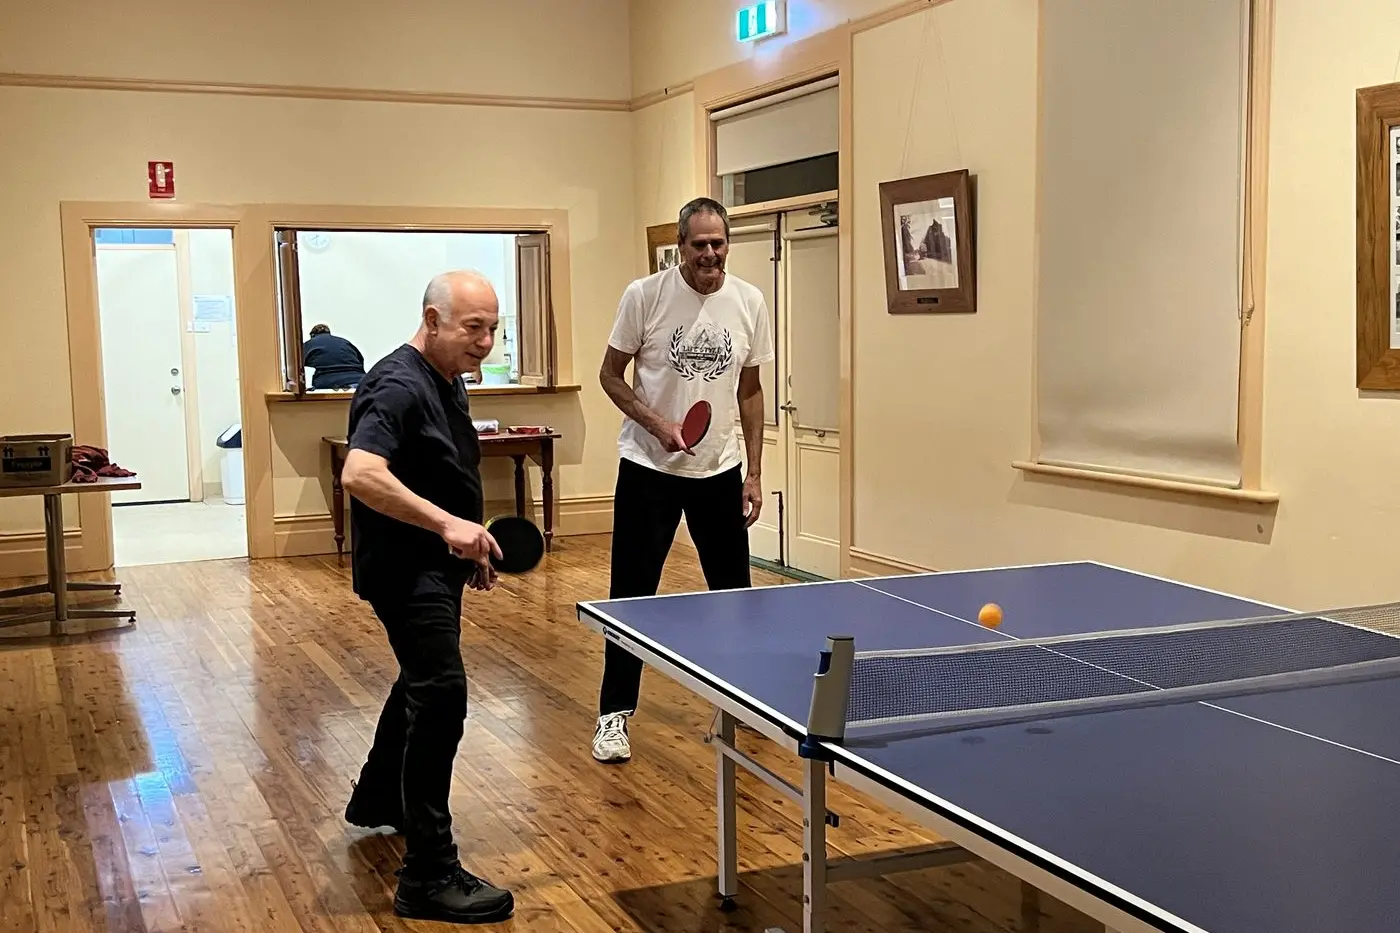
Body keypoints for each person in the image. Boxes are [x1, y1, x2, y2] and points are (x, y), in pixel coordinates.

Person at [338, 270, 514, 924]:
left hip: (435, 565)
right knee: (442, 693)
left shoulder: (447, 379)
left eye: (494, 327)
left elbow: (442, 470)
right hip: (404, 570)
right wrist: (445, 525)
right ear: (432, 320)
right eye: (474, 327)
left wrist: (465, 543)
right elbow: (361, 472)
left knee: (420, 681)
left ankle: (382, 798)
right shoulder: (398, 383)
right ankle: (428, 873)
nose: (486, 341)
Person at [591, 197, 772, 764]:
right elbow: (609, 374)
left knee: (734, 596)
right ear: (681, 246)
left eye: (719, 243)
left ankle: (740, 704)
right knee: (632, 595)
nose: (711, 254)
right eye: (700, 245)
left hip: (719, 470)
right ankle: (613, 716)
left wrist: (754, 474)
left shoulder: (749, 301)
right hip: (649, 468)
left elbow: (749, 390)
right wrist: (656, 423)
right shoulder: (644, 296)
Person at [303, 323, 367, 389]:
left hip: (328, 383)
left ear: (312, 335)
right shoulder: (345, 342)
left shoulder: (310, 344)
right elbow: (360, 360)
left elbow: (297, 364)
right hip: (359, 381)